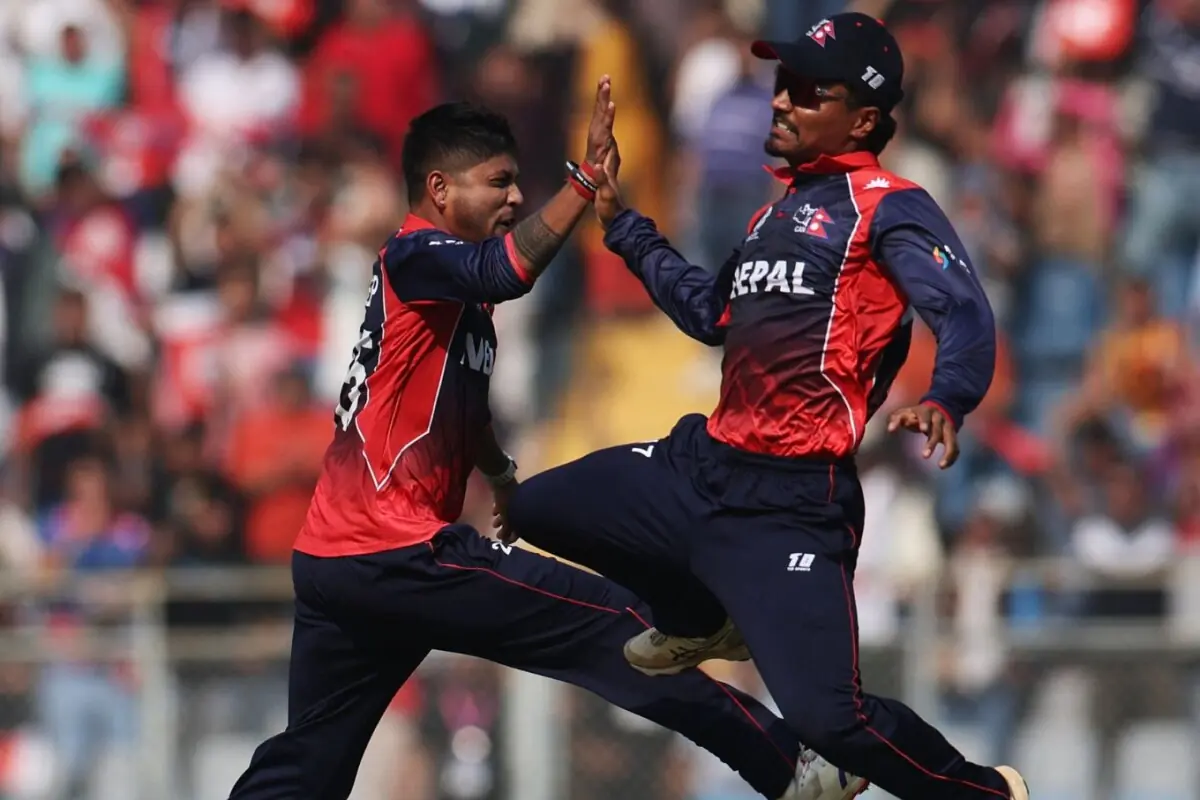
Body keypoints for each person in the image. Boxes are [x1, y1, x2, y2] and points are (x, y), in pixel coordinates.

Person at [228, 81, 853, 800]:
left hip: (336, 560)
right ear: (439, 189)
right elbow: (507, 270)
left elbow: (462, 410)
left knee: (307, 765)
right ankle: (790, 768)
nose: (517, 197)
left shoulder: (455, 299)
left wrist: (499, 475)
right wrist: (583, 182)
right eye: (498, 182)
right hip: (396, 551)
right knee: (620, 630)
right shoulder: (417, 255)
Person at [505, 14, 1030, 800]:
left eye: (810, 92)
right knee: (533, 508)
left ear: (863, 120)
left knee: (832, 723)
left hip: (792, 501)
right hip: (702, 467)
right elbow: (709, 314)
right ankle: (699, 619)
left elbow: (961, 311)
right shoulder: (772, 213)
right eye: (784, 84)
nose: (782, 101)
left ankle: (986, 792)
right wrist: (623, 225)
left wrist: (947, 395)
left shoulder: (888, 206)